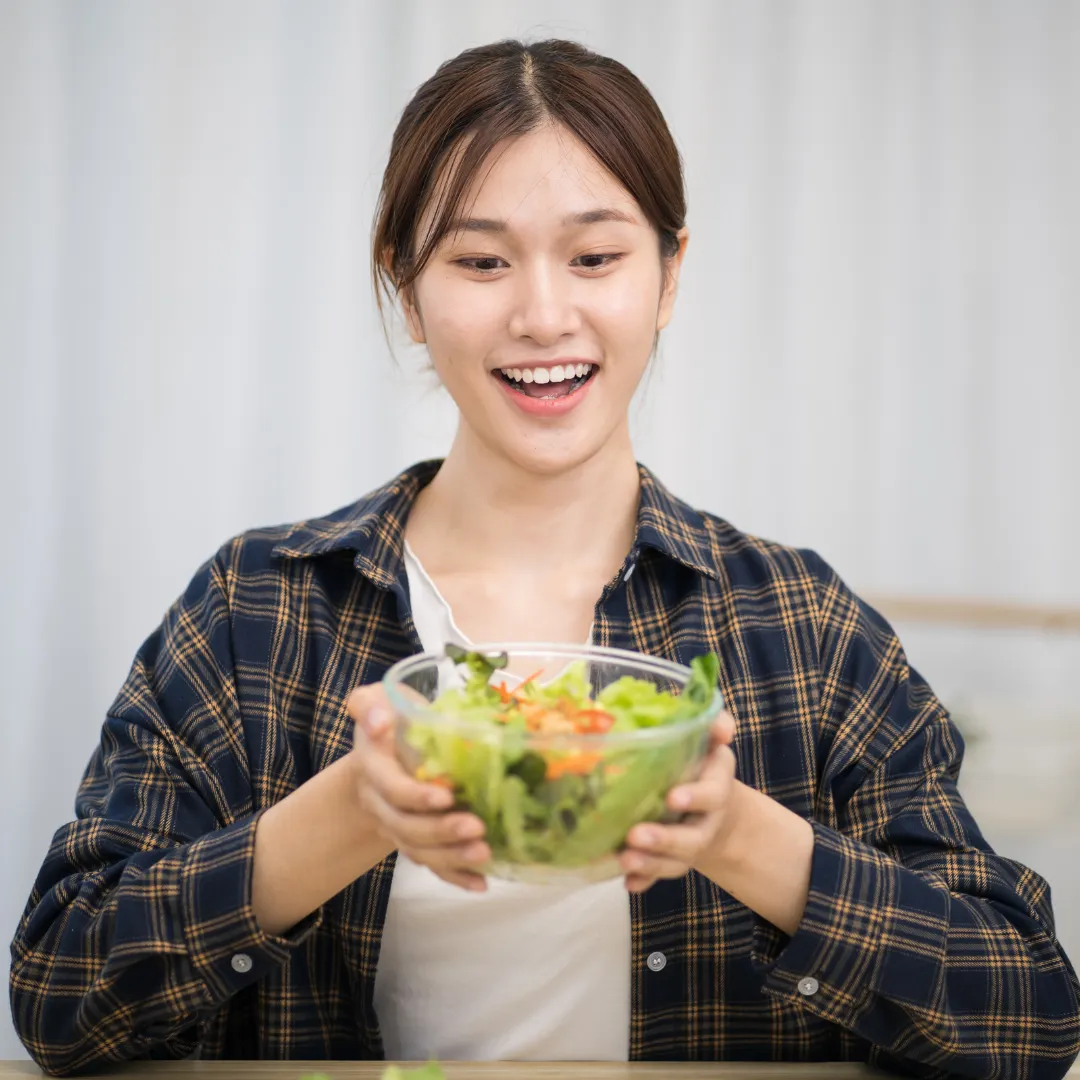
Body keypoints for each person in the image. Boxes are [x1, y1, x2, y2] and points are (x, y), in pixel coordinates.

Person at [9, 37, 1080, 1080]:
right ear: (406, 287)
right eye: (479, 262)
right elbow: (61, 999)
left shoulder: (797, 620)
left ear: (668, 277)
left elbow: (1030, 1017)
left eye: (597, 257)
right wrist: (349, 814)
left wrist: (739, 833)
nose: (542, 314)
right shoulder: (261, 608)